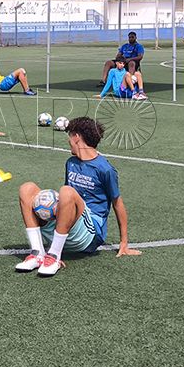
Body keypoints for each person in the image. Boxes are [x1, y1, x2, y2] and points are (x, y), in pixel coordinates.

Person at [14, 117, 141, 276]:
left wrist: (124, 243)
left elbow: (118, 203)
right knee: (27, 188)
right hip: (68, 228)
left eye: (70, 136)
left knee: (66, 191)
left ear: (76, 137)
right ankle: (38, 253)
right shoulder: (71, 163)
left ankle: (53, 256)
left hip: (90, 234)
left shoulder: (105, 169)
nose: (68, 141)